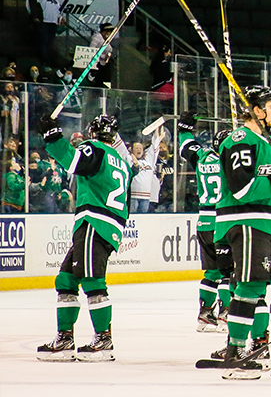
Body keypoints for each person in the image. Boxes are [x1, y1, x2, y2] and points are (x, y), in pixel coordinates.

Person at [212, 86, 271, 380]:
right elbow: (241, 189)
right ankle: (236, 352)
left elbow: (269, 184)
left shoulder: (264, 141)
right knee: (252, 286)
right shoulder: (240, 139)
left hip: (269, 224)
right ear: (256, 110)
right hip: (247, 221)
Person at [35, 114, 130, 362]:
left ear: (92, 132)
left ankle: (103, 340)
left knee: (91, 280)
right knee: (66, 278)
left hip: (94, 221)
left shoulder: (95, 148)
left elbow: (73, 160)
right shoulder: (121, 160)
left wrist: (53, 135)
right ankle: (65, 338)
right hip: (107, 223)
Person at [177, 113, 231, 333]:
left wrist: (185, 128)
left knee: (211, 272)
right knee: (230, 273)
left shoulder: (203, 156)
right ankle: (227, 314)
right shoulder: (233, 163)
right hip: (225, 223)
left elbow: (186, 145)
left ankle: (205, 316)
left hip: (204, 223)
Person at [30, 0, 63, 64]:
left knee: (49, 43)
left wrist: (60, 19)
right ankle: (42, 62)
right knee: (43, 42)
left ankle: (47, 61)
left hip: (53, 23)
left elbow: (58, 9)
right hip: (43, 21)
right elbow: (31, 4)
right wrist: (35, 17)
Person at [129, 131, 162, 214]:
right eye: (136, 148)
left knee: (143, 219)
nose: (139, 150)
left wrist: (157, 125)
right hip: (133, 196)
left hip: (146, 197)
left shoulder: (149, 161)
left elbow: (155, 143)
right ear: (132, 150)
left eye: (140, 148)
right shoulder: (128, 160)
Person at [88, 23, 116, 88]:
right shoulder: (97, 37)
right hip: (97, 64)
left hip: (104, 64)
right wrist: (103, 56)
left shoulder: (106, 40)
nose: (110, 33)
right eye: (108, 31)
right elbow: (92, 50)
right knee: (98, 81)